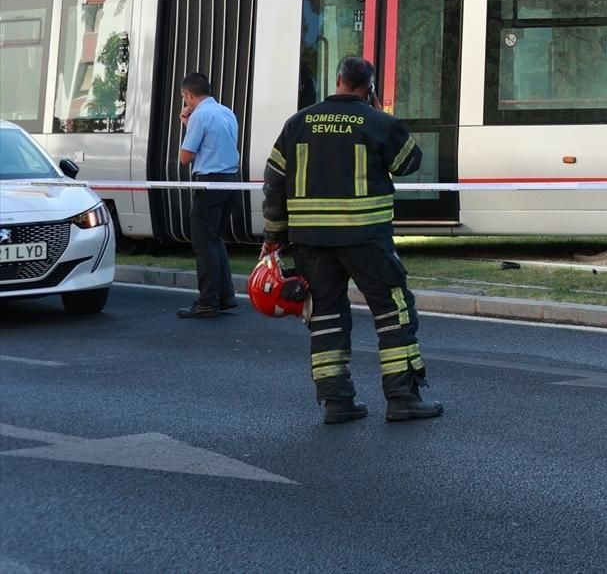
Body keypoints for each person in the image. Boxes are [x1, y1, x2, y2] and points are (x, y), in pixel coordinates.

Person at [261, 56, 441, 425]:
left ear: (338, 80)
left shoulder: (297, 123)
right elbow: (410, 162)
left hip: (310, 241)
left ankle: (336, 402)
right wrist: (378, 113)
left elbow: (274, 183)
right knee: (393, 311)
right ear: (369, 88)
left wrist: (274, 237)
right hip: (365, 239)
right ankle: (402, 397)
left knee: (325, 315)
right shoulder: (377, 122)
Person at [176, 72, 239, 319]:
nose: (185, 102)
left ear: (188, 94)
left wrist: (188, 125)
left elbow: (185, 157)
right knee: (215, 241)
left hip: (209, 184)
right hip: (231, 182)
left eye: (184, 97)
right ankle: (225, 297)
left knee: (204, 245)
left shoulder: (200, 116)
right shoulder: (227, 112)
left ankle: (207, 302)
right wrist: (188, 123)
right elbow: (215, 144)